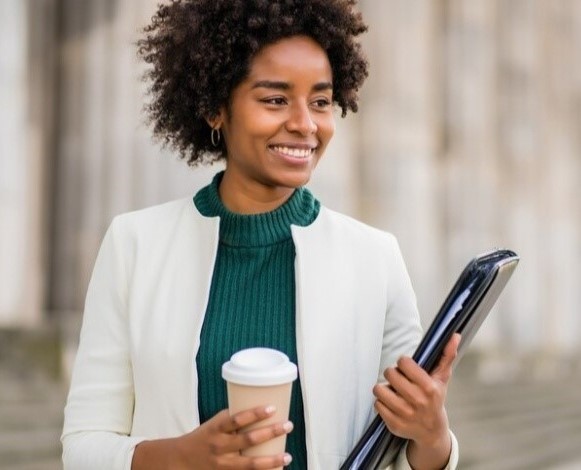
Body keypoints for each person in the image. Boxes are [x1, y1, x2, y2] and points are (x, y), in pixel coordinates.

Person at [61, 1, 460, 469]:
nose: (305, 125)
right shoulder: (134, 245)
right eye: (275, 100)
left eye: (320, 101)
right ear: (215, 108)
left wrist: (432, 435)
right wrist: (181, 457)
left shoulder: (375, 257)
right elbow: (83, 447)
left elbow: (403, 453)